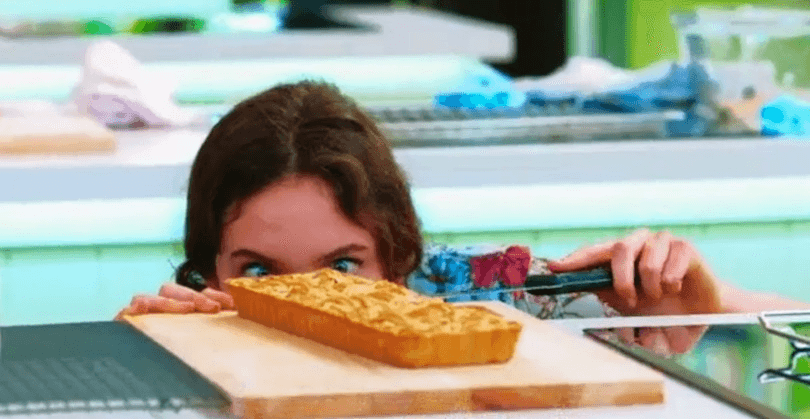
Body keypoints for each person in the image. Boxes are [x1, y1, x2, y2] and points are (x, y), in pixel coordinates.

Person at [116, 80, 809, 331]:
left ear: (400, 260)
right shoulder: (188, 338)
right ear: (205, 272)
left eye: (344, 268)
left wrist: (698, 308)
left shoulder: (482, 294)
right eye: (260, 273)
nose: (307, 305)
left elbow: (783, 315)